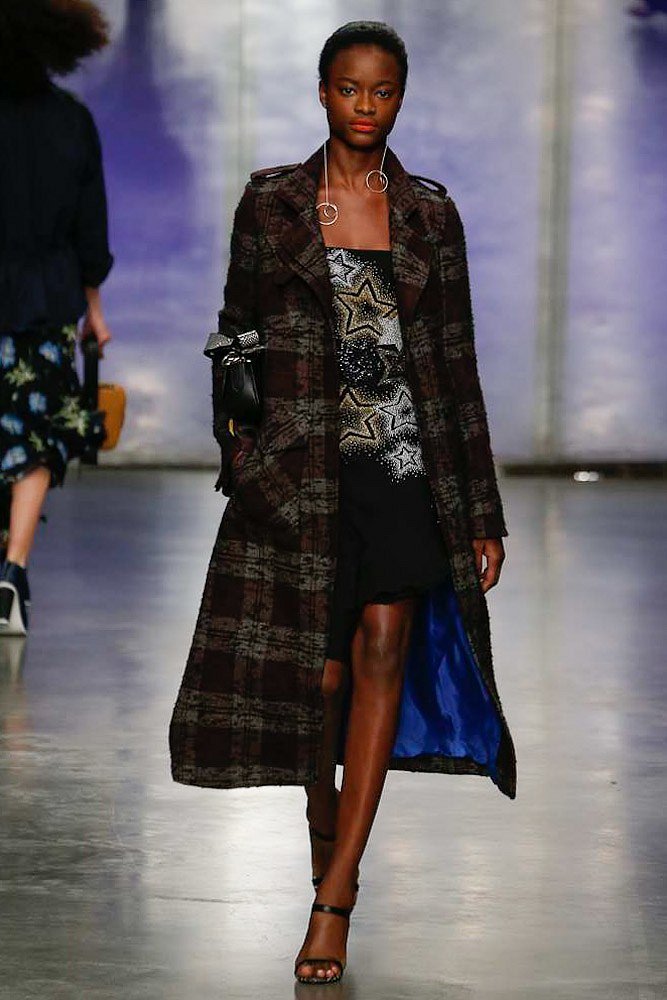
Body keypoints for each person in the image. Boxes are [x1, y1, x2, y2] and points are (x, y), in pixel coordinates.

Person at [169, 20, 517, 986]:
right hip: (302, 476)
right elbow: (235, 338)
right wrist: (243, 457)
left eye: (383, 90)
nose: (366, 106)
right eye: (350, 88)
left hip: (405, 468)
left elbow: (456, 365)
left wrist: (480, 511)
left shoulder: (429, 215)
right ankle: (325, 829)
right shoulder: (272, 203)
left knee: (381, 654)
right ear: (322, 92)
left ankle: (336, 893)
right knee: (316, 685)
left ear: (400, 96)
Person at [0, 0, 113, 636]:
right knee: (37, 436)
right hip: (47, 300)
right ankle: (12, 572)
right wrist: (94, 308)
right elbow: (89, 232)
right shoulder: (71, 120)